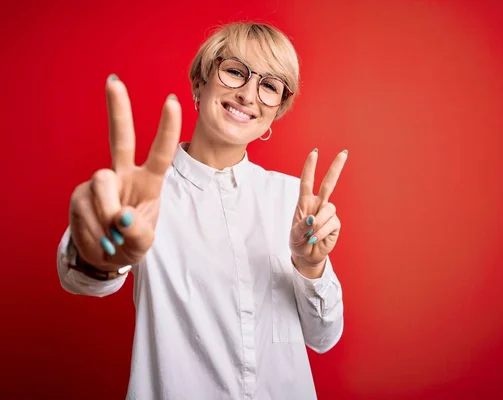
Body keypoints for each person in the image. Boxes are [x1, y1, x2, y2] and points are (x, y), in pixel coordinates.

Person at [56, 21, 348, 400]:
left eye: (270, 86)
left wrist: (311, 267)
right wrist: (99, 256)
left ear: (274, 114)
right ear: (200, 82)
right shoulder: (142, 193)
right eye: (234, 71)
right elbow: (81, 279)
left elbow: (323, 338)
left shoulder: (293, 201)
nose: (248, 94)